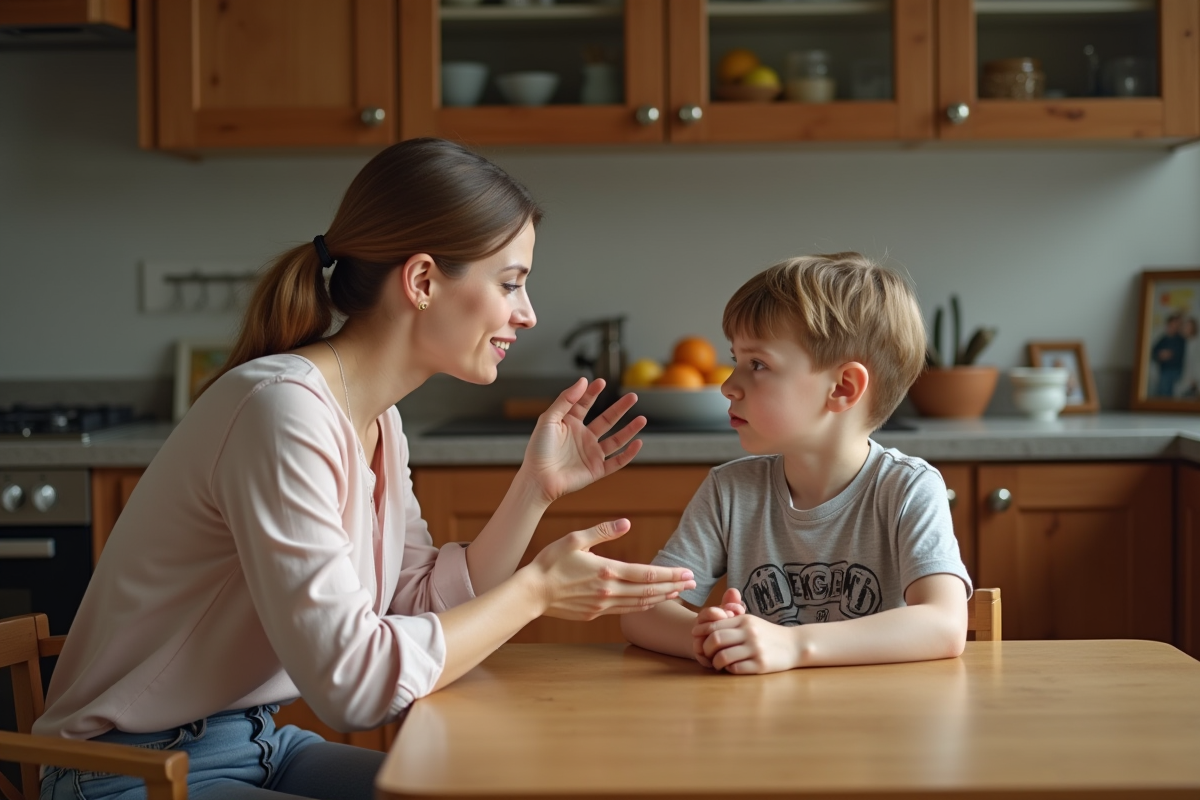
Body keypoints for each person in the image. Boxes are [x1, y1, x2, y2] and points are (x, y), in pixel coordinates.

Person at [34, 138, 695, 800]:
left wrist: (533, 489)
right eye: (510, 283)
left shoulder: (377, 421)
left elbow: (417, 601)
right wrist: (535, 593)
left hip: (258, 743)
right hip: (127, 773)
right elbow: (354, 686)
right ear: (423, 281)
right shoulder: (282, 411)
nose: (527, 314)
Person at [622, 253, 972, 674]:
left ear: (842, 387)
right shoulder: (729, 491)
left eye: (757, 364)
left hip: (880, 727)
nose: (729, 385)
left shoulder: (909, 489)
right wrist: (714, 638)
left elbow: (944, 624)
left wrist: (793, 645)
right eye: (735, 360)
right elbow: (641, 611)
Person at [1151, 312, 1186, 397]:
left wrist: (1170, 354)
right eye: (1171, 324)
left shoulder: (1181, 340)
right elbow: (1153, 353)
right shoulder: (1163, 339)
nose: (1173, 327)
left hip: (1176, 371)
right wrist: (1160, 355)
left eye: (1176, 324)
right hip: (1164, 370)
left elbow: (1181, 356)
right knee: (1162, 393)